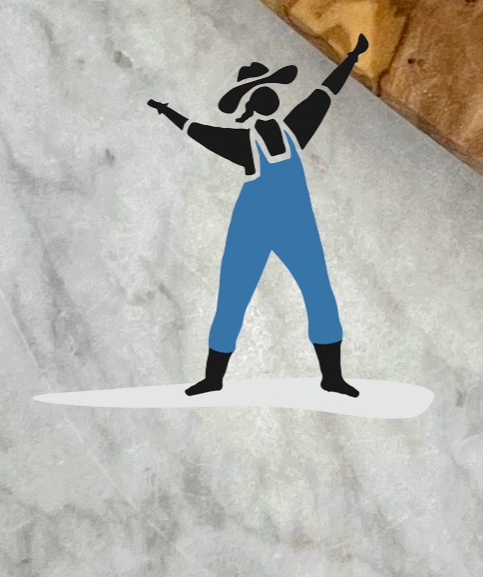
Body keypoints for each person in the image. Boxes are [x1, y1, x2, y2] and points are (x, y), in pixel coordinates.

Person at [148, 35, 369, 397]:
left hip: (297, 228)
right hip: (251, 230)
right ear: (248, 108)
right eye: (256, 92)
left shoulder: (296, 128)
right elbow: (195, 131)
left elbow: (326, 92)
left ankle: (332, 377)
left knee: (321, 296)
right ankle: (213, 378)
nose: (265, 94)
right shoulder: (240, 143)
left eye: (267, 88)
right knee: (233, 299)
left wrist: (352, 57)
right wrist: (166, 110)